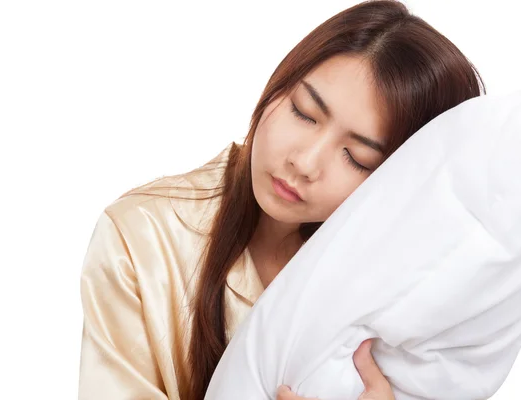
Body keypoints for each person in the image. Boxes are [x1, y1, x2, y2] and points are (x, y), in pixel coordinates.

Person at [77, 1, 486, 399]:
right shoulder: (141, 238)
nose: (305, 162)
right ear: (280, 83)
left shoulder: (408, 280)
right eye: (304, 112)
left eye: (357, 157)